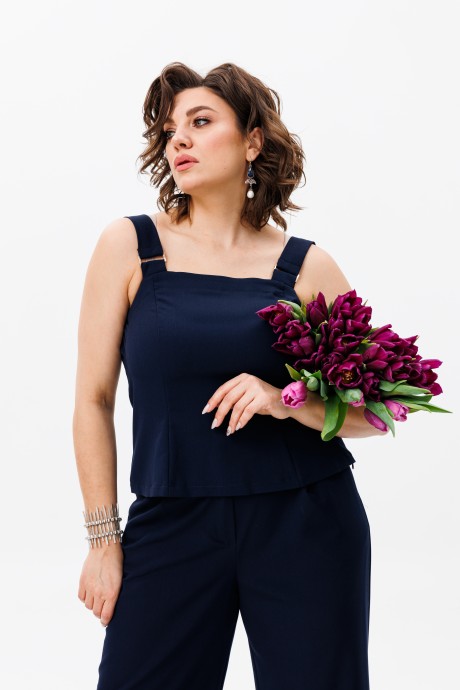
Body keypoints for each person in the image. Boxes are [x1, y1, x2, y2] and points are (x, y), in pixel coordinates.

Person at [74, 61, 386, 690]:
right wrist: (104, 540)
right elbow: (93, 399)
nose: (179, 141)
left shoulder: (307, 266)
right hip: (172, 521)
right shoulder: (130, 247)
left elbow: (375, 411)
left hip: (307, 521)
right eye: (170, 132)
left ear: (252, 140)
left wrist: (283, 398)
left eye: (200, 121)